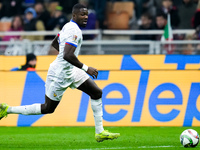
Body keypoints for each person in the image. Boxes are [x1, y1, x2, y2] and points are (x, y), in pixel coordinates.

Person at [0, 3, 120, 142]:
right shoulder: (74, 30)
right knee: (48, 108)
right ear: (74, 15)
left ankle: (100, 132)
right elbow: (67, 56)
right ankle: (7, 109)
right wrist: (87, 69)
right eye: (82, 14)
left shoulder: (67, 26)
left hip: (71, 70)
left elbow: (55, 43)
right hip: (59, 74)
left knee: (96, 93)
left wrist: (68, 59)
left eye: (86, 14)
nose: (85, 17)